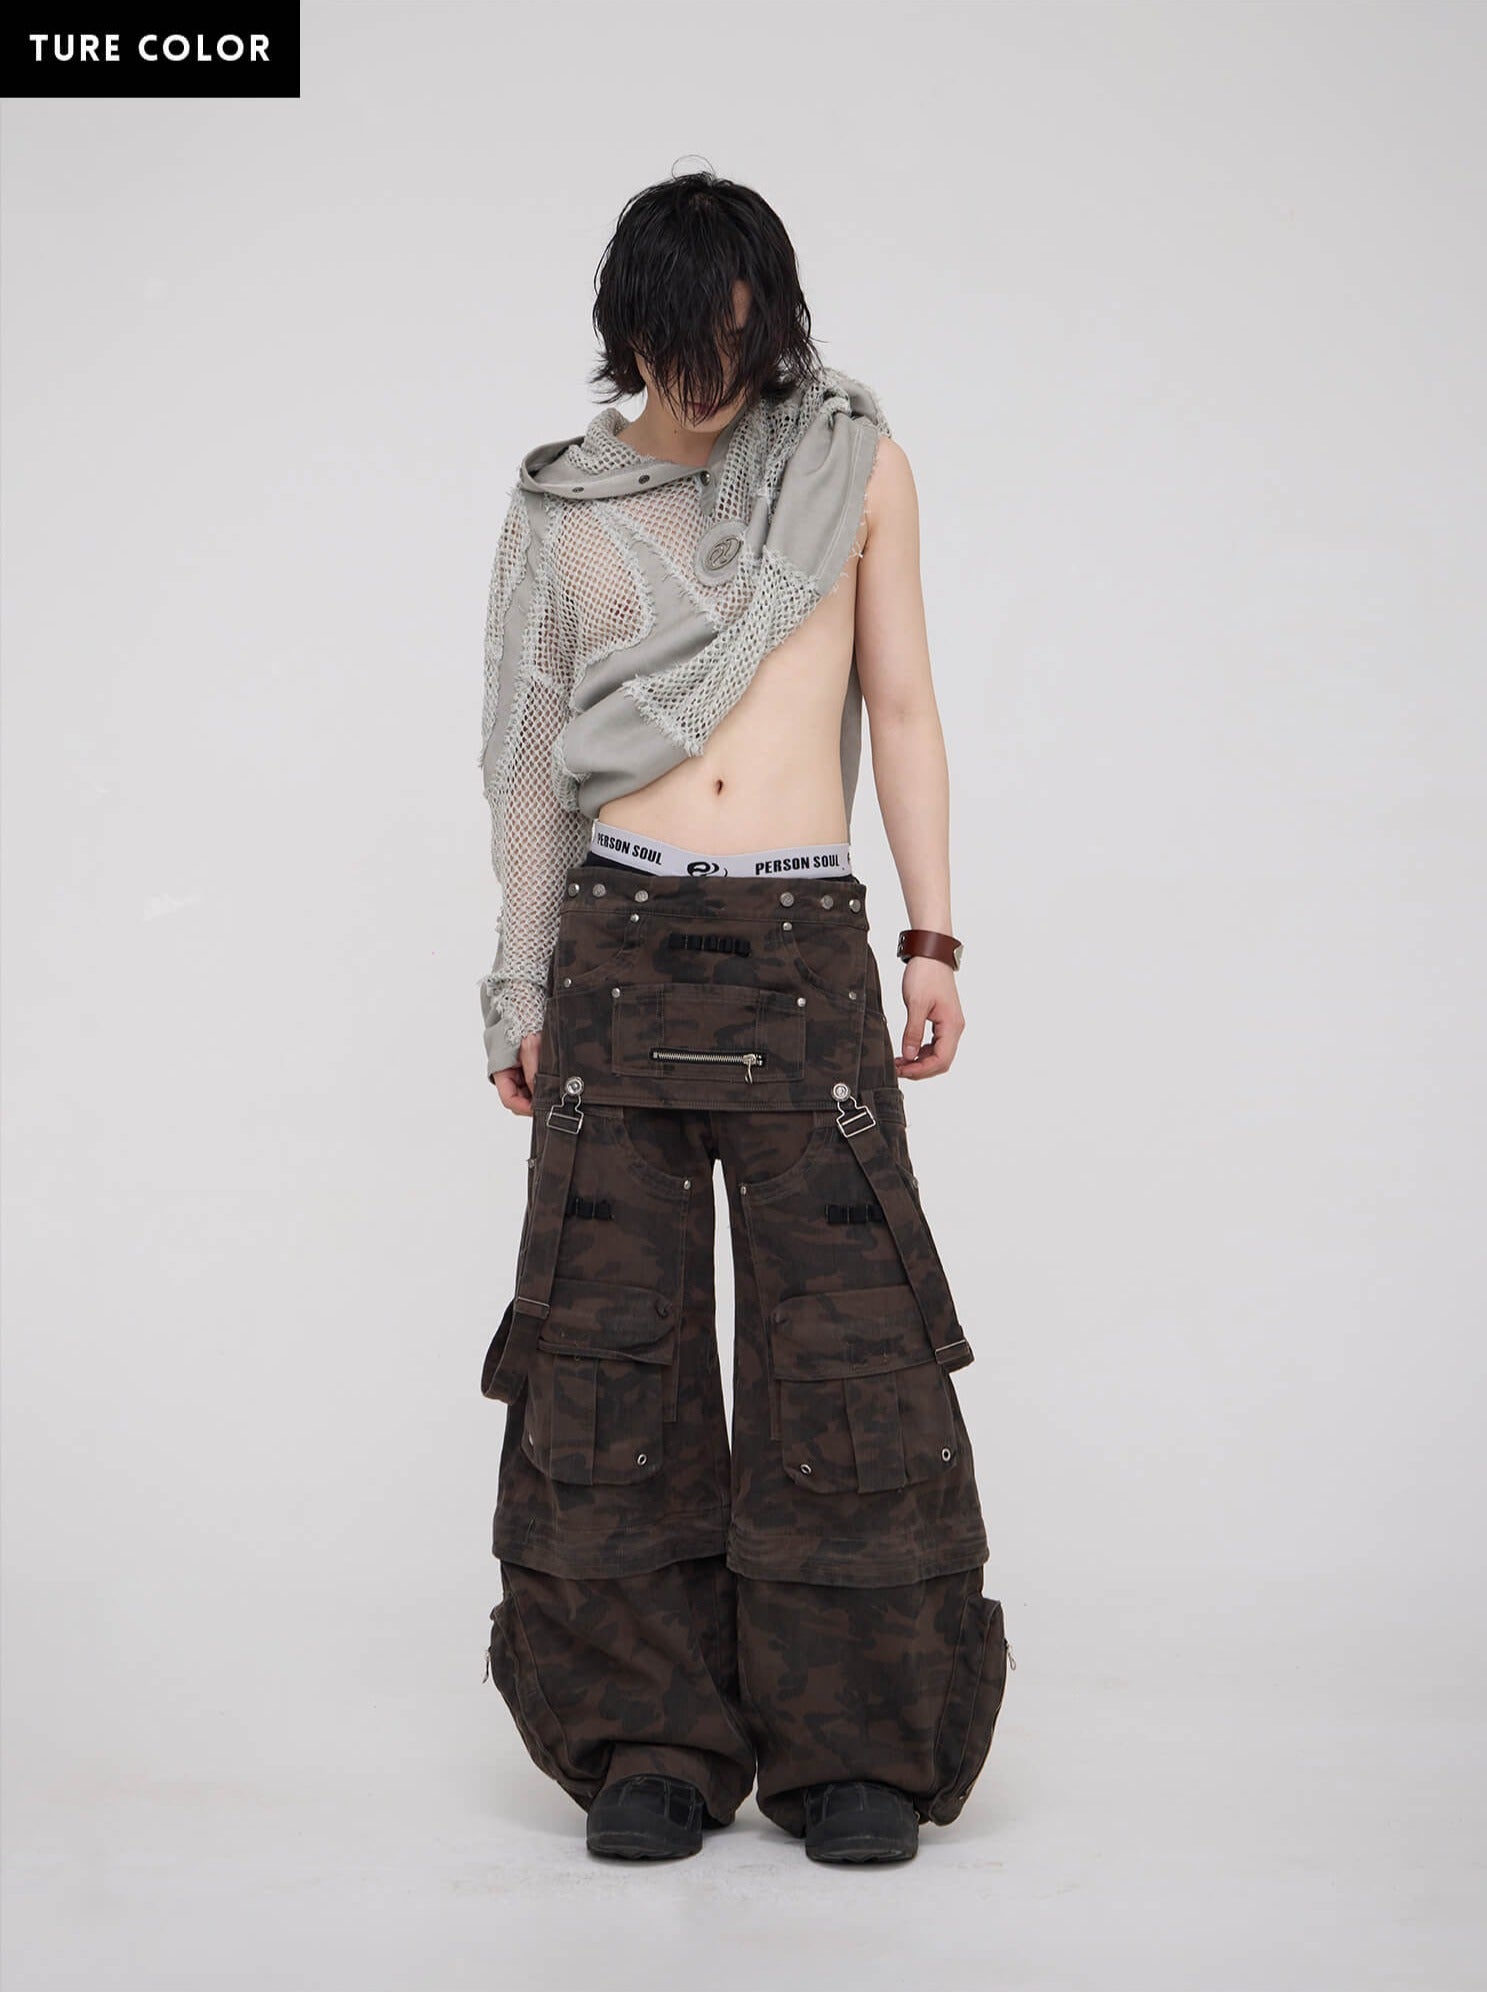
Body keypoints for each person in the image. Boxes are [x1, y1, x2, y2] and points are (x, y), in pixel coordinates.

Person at [476, 169, 1011, 1865]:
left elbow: (904, 708)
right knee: (608, 1349)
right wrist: (520, 980)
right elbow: (526, 766)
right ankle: (647, 1740)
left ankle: (854, 1745)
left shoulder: (850, 464)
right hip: (619, 942)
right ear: (627, 330)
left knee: (845, 1344)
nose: (714, 378)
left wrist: (933, 940)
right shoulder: (564, 507)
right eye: (680, 344)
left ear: (771, 321)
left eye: (740, 339)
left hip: (803, 944)